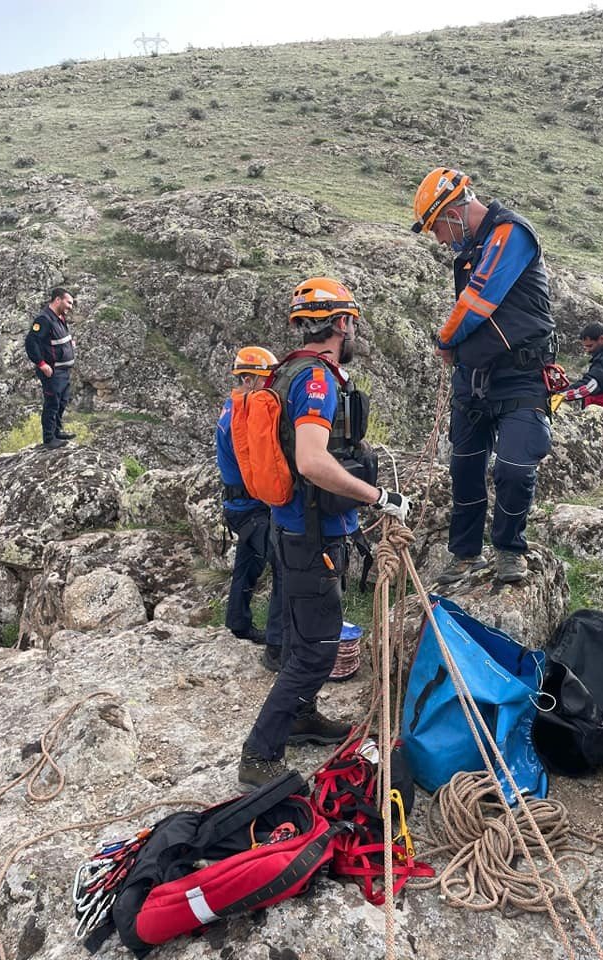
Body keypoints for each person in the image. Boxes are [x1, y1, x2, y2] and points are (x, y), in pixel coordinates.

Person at [238, 276, 410, 790]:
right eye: (352, 322)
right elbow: (313, 461)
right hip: (312, 534)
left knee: (299, 633)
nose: (354, 331)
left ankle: (301, 715)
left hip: (292, 526)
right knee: (316, 648)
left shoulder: (288, 371)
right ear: (341, 323)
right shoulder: (315, 380)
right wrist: (377, 497)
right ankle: (259, 754)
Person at [412, 168, 556, 585]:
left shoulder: (511, 234)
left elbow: (479, 300)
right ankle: (464, 554)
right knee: (465, 468)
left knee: (514, 467)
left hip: (520, 377)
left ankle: (509, 549)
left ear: (454, 212)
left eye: (438, 227)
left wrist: (445, 339)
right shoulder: (475, 247)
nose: (440, 239)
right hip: (473, 380)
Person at [216, 346, 283, 670]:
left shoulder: (234, 408)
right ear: (251, 379)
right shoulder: (240, 418)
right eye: (268, 379)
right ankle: (277, 646)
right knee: (284, 565)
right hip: (249, 507)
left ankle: (238, 622)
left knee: (249, 562)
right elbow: (258, 463)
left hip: (241, 505)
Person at [24, 287, 76, 450]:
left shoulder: (59, 317)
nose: (70, 307)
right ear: (58, 300)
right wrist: (41, 364)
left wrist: (69, 345)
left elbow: (55, 340)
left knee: (62, 401)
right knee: (52, 403)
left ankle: (57, 432)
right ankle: (49, 438)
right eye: (68, 302)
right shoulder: (44, 319)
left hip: (64, 371)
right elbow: (31, 343)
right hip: (52, 371)